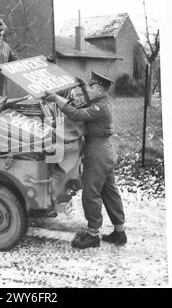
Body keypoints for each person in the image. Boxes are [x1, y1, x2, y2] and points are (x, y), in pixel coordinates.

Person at [44, 71, 127, 249]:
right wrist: (81, 85)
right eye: (88, 86)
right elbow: (86, 102)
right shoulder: (102, 102)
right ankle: (119, 232)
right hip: (106, 151)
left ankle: (92, 236)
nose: (89, 89)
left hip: (98, 152)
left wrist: (56, 99)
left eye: (92, 86)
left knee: (91, 193)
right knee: (109, 192)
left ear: (100, 89)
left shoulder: (100, 108)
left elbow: (75, 114)